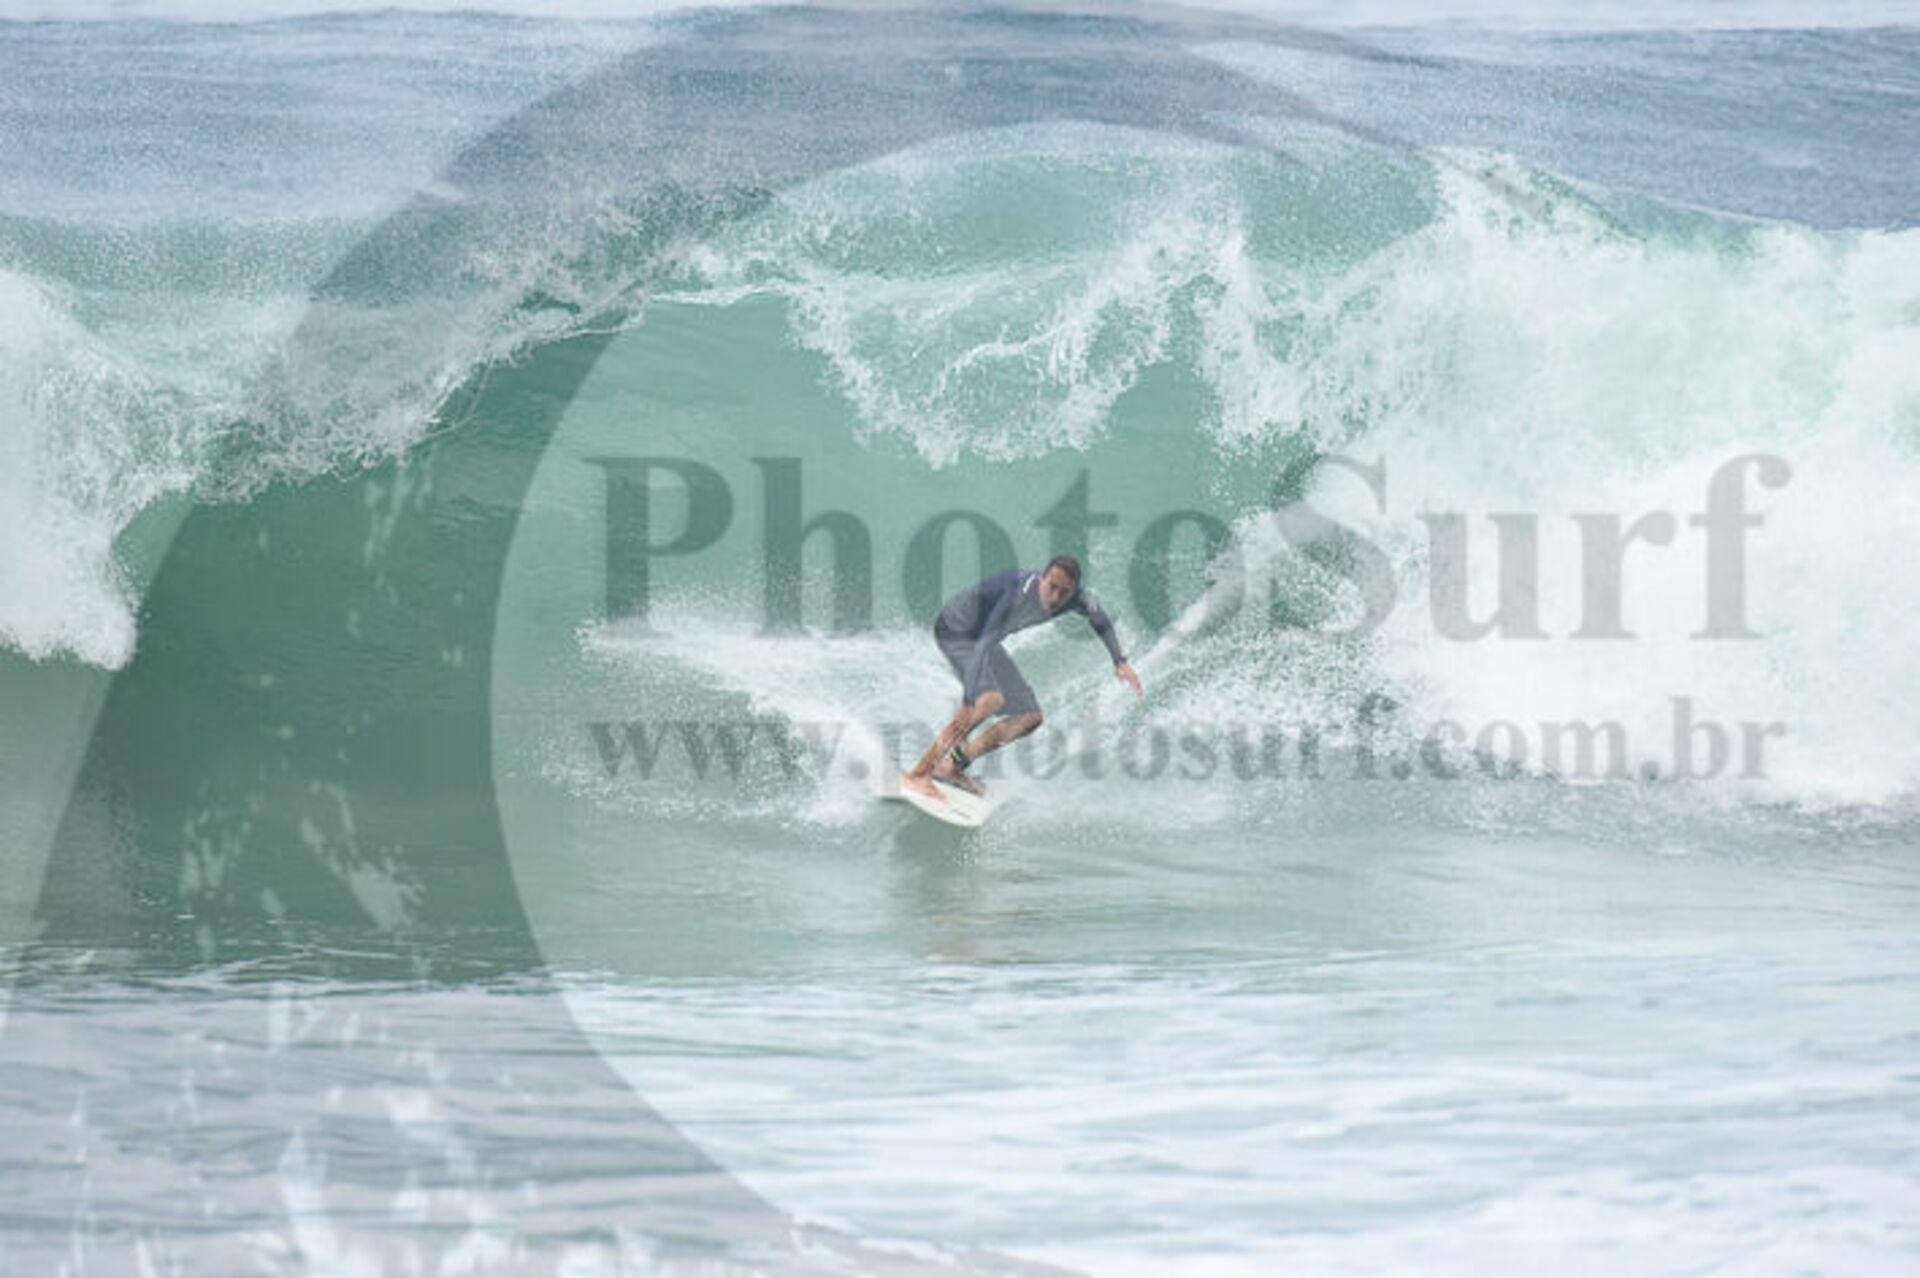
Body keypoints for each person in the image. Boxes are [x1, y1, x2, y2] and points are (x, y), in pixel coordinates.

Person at [902, 554, 1143, 802]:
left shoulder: (1076, 598)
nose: (1056, 598)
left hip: (985, 640)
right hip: (957, 628)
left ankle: (952, 766)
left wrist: (1120, 661)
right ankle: (919, 774)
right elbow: (981, 644)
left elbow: (1099, 617)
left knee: (1030, 717)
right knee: (988, 700)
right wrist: (968, 701)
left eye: (1064, 592)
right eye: (1052, 587)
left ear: (1073, 591)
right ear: (1041, 579)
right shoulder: (1015, 594)